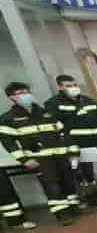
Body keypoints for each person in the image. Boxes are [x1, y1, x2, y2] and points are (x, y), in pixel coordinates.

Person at [1, 83, 81, 224]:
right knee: (52, 185)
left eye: (26, 91)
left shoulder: (46, 113)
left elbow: (63, 132)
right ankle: (61, 214)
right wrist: (24, 160)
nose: (25, 95)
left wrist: (72, 151)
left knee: (68, 182)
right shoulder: (8, 119)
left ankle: (73, 207)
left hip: (60, 154)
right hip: (39, 158)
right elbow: (9, 143)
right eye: (20, 92)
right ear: (11, 97)